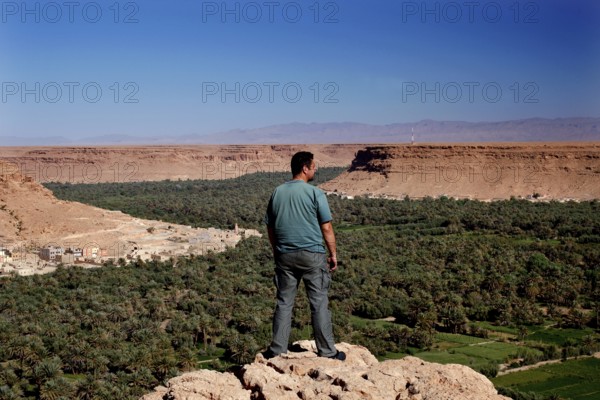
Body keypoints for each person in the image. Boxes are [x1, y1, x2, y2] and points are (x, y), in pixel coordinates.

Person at [262, 151, 345, 361]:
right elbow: (326, 227)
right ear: (305, 168)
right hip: (312, 255)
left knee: (284, 302)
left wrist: (276, 251)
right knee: (318, 302)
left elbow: (270, 228)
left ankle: (277, 349)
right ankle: (327, 351)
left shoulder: (277, 192)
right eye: (314, 166)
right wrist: (333, 253)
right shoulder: (315, 193)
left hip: (284, 255)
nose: (316, 169)